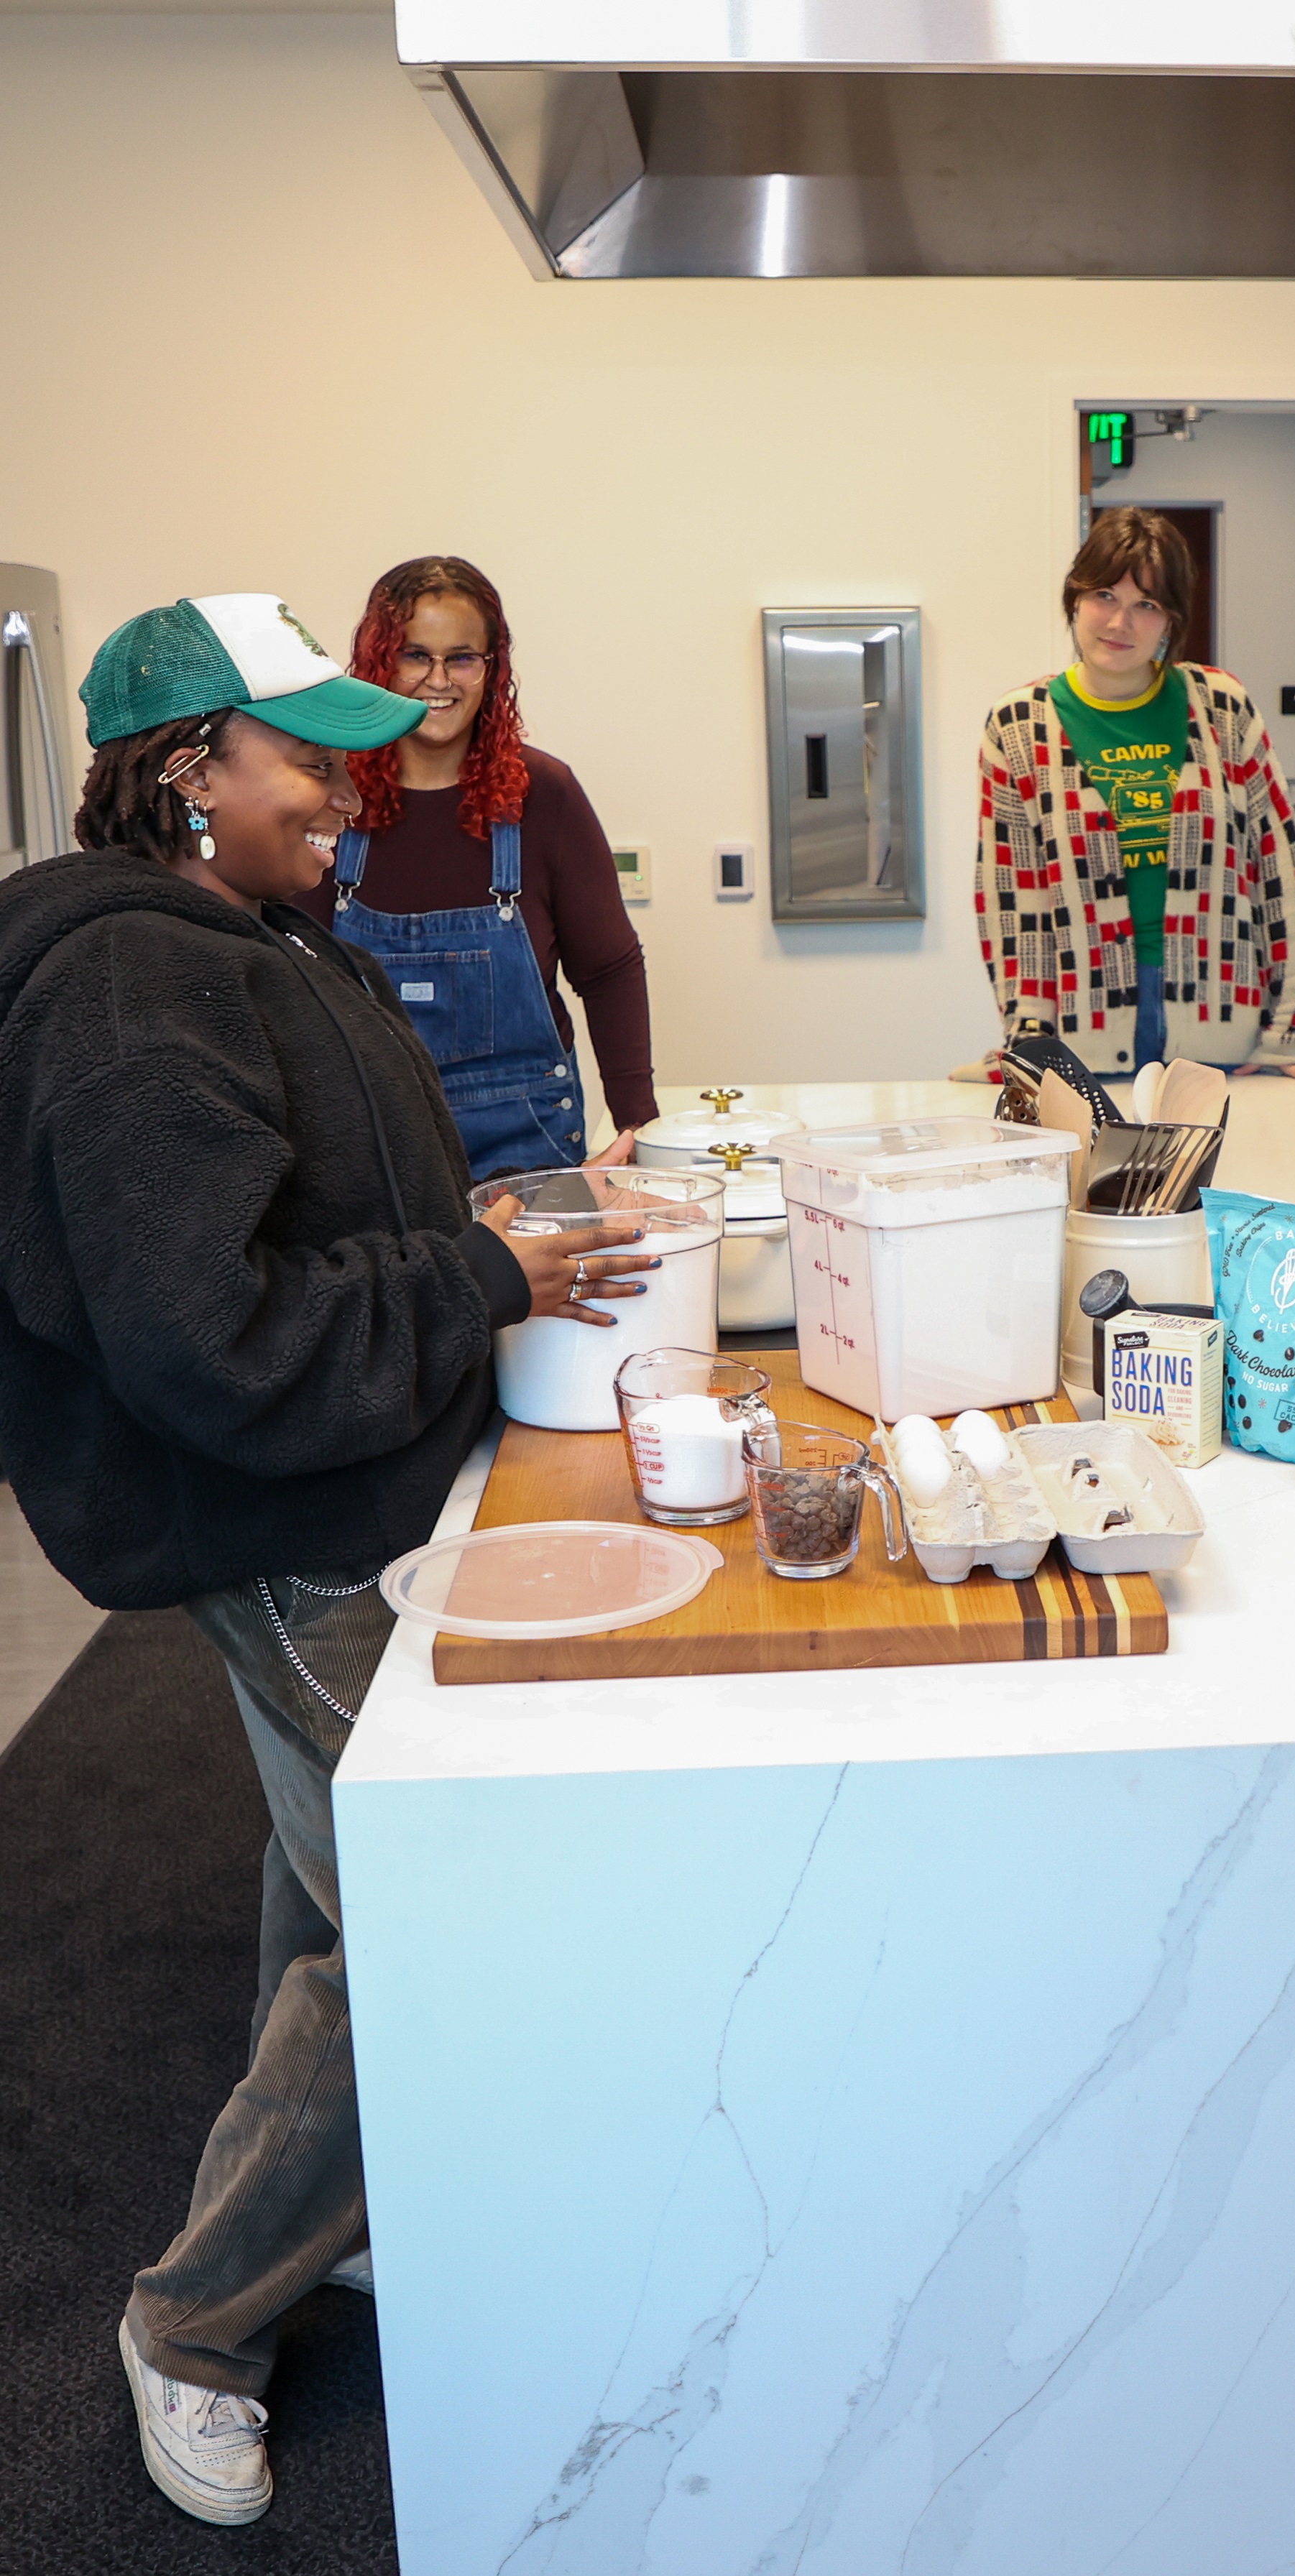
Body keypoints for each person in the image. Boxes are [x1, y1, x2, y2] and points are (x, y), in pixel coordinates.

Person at [0, 593, 657, 2524]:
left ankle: (325, 2201)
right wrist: (475, 1269)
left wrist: (501, 1212)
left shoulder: (264, 938)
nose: (352, 790)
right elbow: (207, 1331)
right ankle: (192, 2322)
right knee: (451, 1902)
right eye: (306, 752)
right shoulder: (135, 988)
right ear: (188, 766)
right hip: (289, 1525)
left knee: (339, 1885)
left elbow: (323, 1202)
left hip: (367, 1484)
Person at [290, 554, 656, 1176]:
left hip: (529, 1147)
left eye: (462, 657)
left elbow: (609, 970)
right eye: (415, 655)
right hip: (374, 1150)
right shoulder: (328, 798)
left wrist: (636, 1126)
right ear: (381, 663)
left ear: (492, 668)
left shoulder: (544, 794)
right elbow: (293, 986)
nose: (440, 680)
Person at [973, 504, 1295, 1083]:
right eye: (1104, 595)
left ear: (1171, 620)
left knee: (1231, 1167)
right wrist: (1030, 1044)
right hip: (1084, 1029)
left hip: (1221, 1021)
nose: (1119, 622)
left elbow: (1281, 868)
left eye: (1146, 605)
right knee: (1100, 1175)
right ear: (1074, 599)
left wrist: (1291, 1032)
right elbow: (1012, 898)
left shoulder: (1221, 706)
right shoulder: (1019, 725)